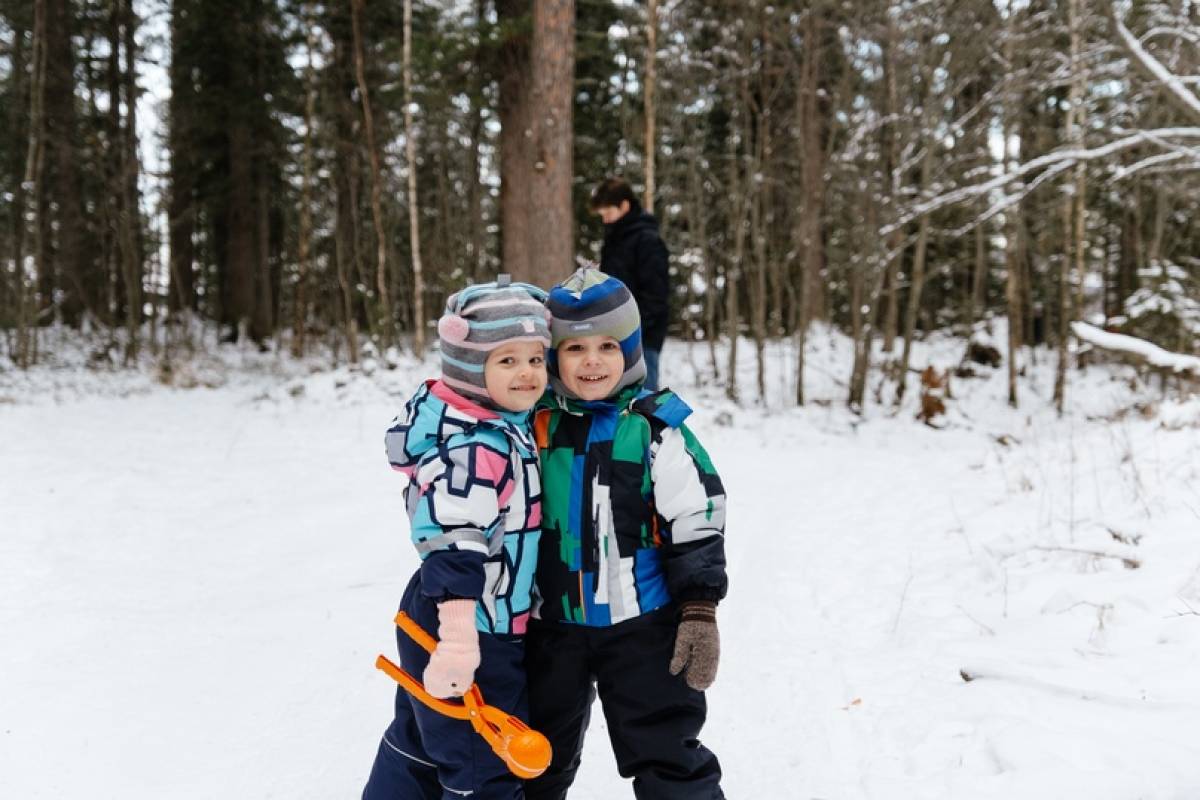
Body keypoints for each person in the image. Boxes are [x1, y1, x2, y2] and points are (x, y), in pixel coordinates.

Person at [524, 268, 727, 800]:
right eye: (576, 349)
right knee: (532, 755)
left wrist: (699, 608)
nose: (592, 361)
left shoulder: (655, 428)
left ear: (631, 351)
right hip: (550, 627)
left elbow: (697, 519)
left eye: (608, 346)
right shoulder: (532, 428)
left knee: (666, 751)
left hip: (643, 625)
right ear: (554, 358)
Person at [363, 276, 551, 800]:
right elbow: (453, 542)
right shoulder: (473, 448)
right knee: (482, 761)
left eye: (535, 359)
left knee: (421, 738)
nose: (526, 373)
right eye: (507, 360)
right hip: (470, 623)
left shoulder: (494, 423)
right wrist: (460, 639)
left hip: (448, 614)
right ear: (472, 367)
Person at [589, 177, 670, 391]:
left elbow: (656, 294)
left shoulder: (647, 240)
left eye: (608, 213)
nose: (605, 220)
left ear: (624, 206)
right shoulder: (615, 238)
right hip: (615, 331)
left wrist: (635, 327)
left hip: (642, 335)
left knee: (643, 398)